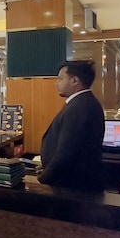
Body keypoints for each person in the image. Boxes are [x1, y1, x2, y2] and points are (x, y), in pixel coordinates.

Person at [38, 60, 105, 192]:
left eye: (60, 79)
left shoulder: (79, 107)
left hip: (73, 186)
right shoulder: (82, 102)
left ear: (74, 80)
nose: (56, 83)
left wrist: (42, 179)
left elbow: (66, 153)